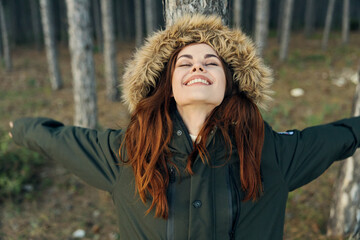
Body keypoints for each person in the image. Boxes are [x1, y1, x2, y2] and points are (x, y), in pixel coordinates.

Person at [8, 14, 360, 240]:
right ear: (167, 85)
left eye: (212, 62)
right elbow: (58, 140)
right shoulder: (128, 151)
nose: (197, 68)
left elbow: (341, 136)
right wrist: (20, 128)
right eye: (184, 63)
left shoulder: (272, 151)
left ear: (230, 83)